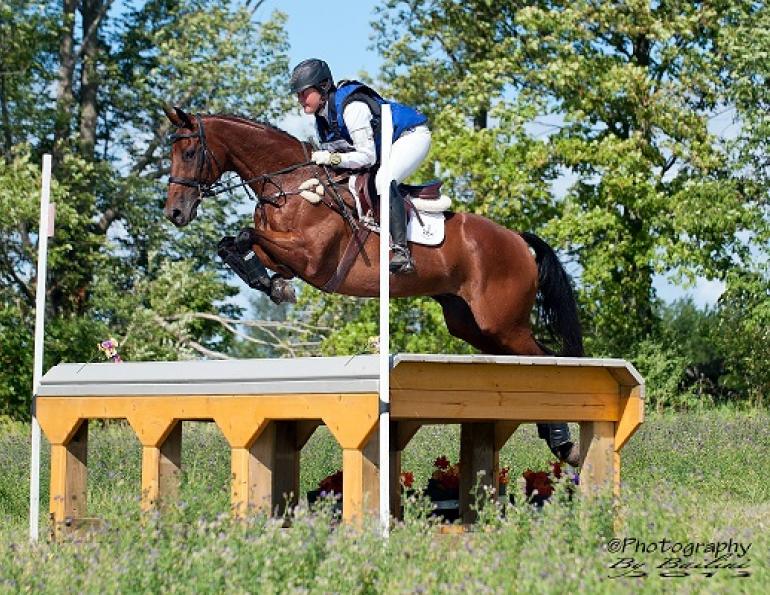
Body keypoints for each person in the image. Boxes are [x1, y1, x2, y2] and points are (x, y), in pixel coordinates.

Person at [290, 58, 431, 274]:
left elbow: (367, 157)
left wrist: (332, 159)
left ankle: (402, 251)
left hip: (410, 136)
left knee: (385, 180)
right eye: (298, 94)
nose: (300, 99)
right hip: (383, 148)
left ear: (324, 86)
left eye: (304, 92)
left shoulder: (352, 108)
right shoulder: (322, 118)